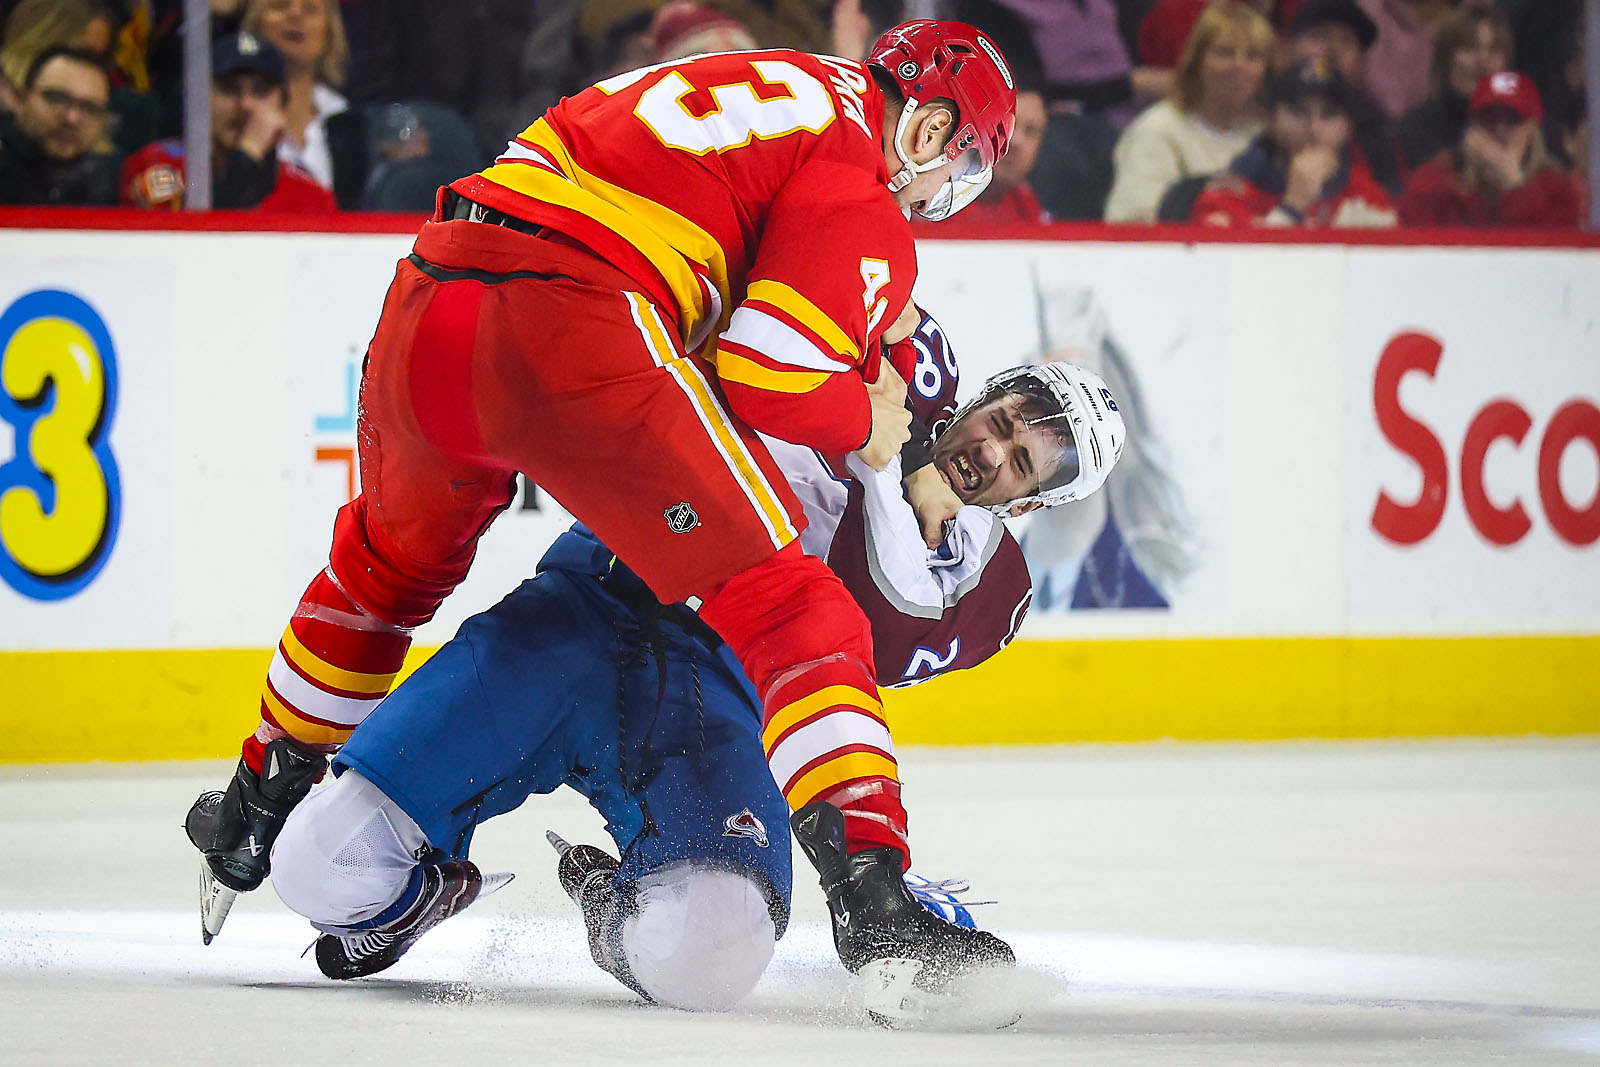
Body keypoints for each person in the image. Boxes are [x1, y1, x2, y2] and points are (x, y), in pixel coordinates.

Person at [184, 20, 1025, 994]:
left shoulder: (755, 83)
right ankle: (876, 897)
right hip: (578, 322)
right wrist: (865, 413)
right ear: (925, 132)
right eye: (952, 175)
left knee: (384, 563)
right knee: (792, 603)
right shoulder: (856, 174)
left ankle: (256, 795)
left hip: (434, 286)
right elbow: (770, 371)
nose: (930, 202)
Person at [262, 334, 1122, 1019]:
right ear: (984, 397)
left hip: (712, 697)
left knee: (712, 958)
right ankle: (427, 891)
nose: (993, 450)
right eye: (1003, 420)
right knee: (315, 868)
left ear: (1030, 502)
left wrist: (881, 474)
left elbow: (875, 635)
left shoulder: (990, 588)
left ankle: (609, 900)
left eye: (1021, 462)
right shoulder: (901, 353)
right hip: (591, 596)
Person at [119, 32, 336, 212]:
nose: (245, 105)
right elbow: (202, 236)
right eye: (228, 89)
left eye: (260, 91)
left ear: (283, 105)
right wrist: (247, 155)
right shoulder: (161, 166)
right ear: (200, 99)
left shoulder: (309, 194)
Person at [1104, 2, 1271, 223]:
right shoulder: (1158, 129)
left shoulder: (1266, 135)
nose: (1239, 66)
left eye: (1253, 56)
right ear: (1196, 61)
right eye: (1224, 53)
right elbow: (1130, 220)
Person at [1192, 56, 1397, 228]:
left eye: (1329, 114)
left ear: (1347, 126)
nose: (1314, 128)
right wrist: (1292, 207)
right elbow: (1243, 273)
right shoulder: (1225, 193)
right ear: (1271, 120)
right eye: (1299, 111)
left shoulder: (1368, 195)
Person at [1397, 70, 1585, 228]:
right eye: (1488, 119)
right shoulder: (1436, 179)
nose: (1499, 130)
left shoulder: (1557, 190)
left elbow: (1550, 258)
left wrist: (1514, 186)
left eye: (1513, 120)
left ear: (1533, 131)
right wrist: (1464, 188)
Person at [240, 0, 365, 208]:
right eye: (280, 6)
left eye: (310, 9)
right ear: (256, 24)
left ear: (330, 32)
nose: (295, 15)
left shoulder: (347, 121)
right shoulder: (234, 112)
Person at [1284, 0, 1405, 195]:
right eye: (1319, 36)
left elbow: (1390, 193)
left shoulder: (1375, 125)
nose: (1333, 50)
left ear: (1360, 60)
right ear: (1290, 48)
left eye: (1346, 41)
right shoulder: (1267, 104)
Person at [1392, 2, 1513, 171]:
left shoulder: (1519, 127)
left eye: (1493, 50)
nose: (1483, 60)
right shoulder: (1415, 129)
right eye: (1470, 47)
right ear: (1446, 56)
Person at [0, 45, 118, 205]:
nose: (71, 118)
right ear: (21, 100)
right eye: (56, 98)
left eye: (90, 108)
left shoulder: (111, 186)